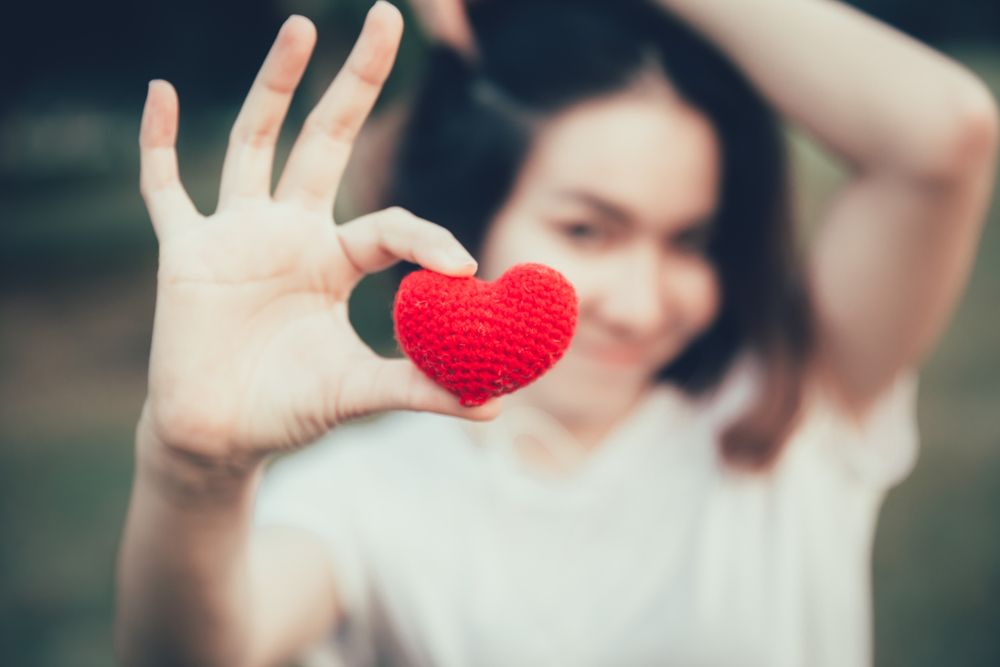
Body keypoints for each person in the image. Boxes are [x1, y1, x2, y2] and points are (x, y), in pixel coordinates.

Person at [113, 0, 998, 665]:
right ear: (474, 216)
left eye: (692, 239)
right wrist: (192, 473)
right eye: (588, 229)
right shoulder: (367, 496)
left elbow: (946, 134)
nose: (643, 300)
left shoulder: (796, 402)